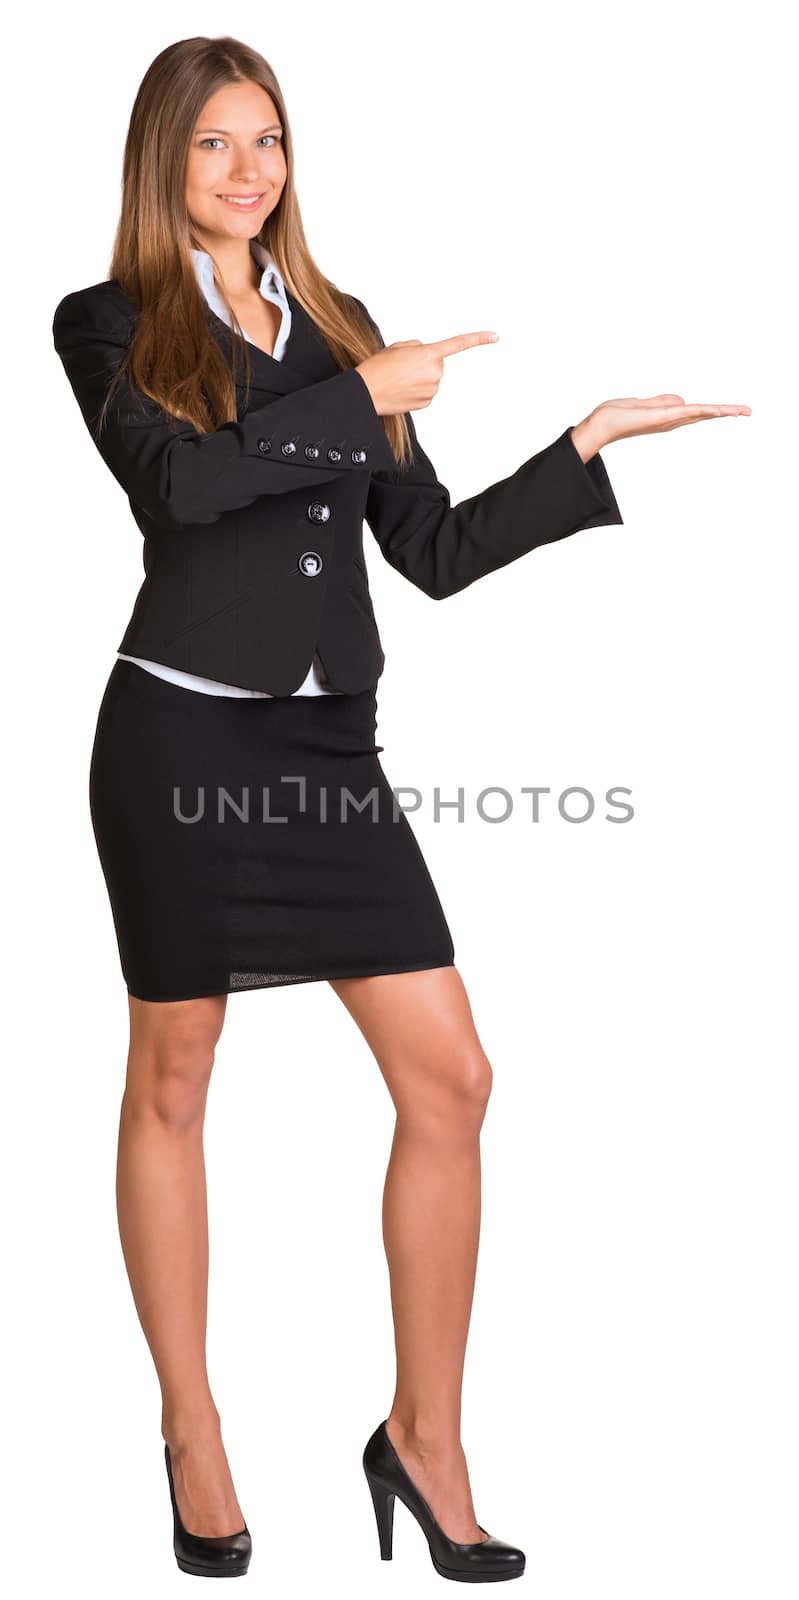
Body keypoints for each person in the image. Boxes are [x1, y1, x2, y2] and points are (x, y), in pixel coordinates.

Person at [51, 33, 750, 1584]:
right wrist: (356, 393)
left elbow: (425, 550)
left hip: (331, 763)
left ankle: (422, 1441)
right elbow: (180, 489)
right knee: (175, 1076)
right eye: (216, 147)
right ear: (162, 162)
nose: (249, 175)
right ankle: (194, 1429)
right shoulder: (106, 323)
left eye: (269, 144)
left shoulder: (341, 322)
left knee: (454, 1082)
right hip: (179, 744)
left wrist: (578, 453)